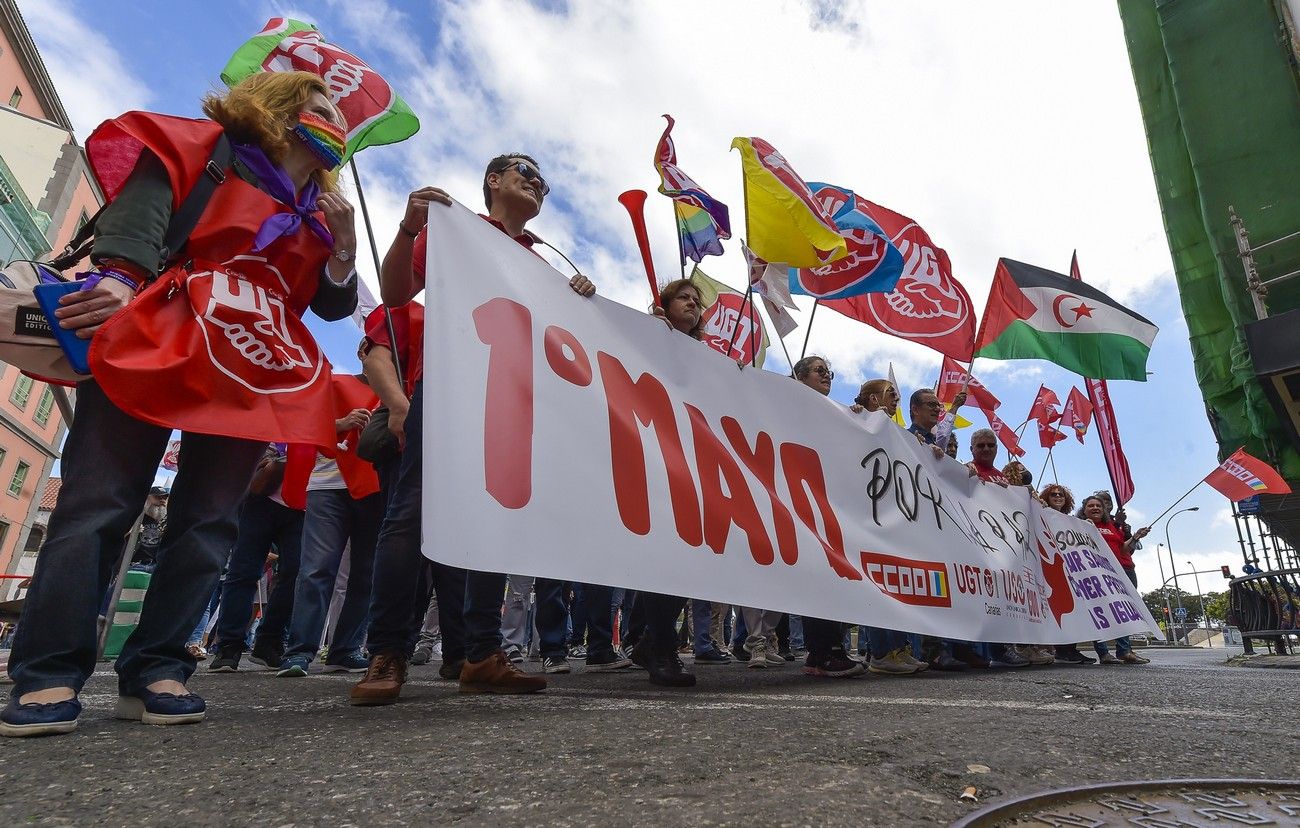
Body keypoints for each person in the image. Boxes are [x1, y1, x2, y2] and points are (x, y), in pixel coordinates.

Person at [2, 71, 358, 737]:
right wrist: (118, 275)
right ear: (279, 109)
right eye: (321, 108)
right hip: (159, 327)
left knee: (212, 520)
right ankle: (47, 673)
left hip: (250, 361)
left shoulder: (321, 212)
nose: (335, 124)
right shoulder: (211, 149)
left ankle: (159, 667)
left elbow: (329, 302)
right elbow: (147, 200)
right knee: (98, 500)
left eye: (340, 117)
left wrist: (343, 251)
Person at [351, 154, 595, 705]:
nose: (535, 184)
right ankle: (387, 652)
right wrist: (410, 227)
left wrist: (580, 302)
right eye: (523, 173)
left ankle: (482, 652)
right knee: (409, 516)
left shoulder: (542, 261)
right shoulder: (455, 231)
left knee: (496, 518)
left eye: (543, 182)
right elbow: (394, 294)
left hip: (513, 400)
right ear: (493, 181)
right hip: (452, 386)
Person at [789, 356, 864, 679]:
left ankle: (824, 652)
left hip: (828, 507)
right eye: (820, 371)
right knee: (819, 577)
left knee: (831, 576)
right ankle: (825, 651)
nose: (827, 376)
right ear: (800, 377)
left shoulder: (834, 413)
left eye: (829, 372)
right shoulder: (783, 404)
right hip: (799, 502)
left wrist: (857, 422)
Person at [851, 378, 926, 676]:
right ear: (872, 399)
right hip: (869, 514)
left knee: (897, 584)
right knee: (878, 583)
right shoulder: (859, 419)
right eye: (891, 394)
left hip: (894, 515)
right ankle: (882, 651)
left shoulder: (896, 433)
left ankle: (899, 647)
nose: (896, 399)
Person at [207, 444, 305, 672]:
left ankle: (269, 641)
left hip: (303, 503)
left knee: (295, 572)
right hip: (261, 499)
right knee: (244, 571)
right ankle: (229, 644)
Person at [1083, 494, 1152, 665]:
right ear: (1084, 510)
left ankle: (1125, 651)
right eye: (1090, 506)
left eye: (1098, 505)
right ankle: (1103, 653)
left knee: (1123, 609)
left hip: (1121, 570)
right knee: (1099, 611)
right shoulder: (1079, 525)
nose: (1095, 508)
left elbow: (1122, 549)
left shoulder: (1112, 526)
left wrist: (1135, 537)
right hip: (1096, 572)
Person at [1039, 484, 1095, 665]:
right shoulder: (1041, 513)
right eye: (1053, 494)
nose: (1057, 497)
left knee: (1076, 608)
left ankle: (1071, 648)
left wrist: (1087, 527)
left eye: (1061, 495)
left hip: (1071, 570)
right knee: (1060, 607)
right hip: (1052, 568)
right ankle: (1062, 650)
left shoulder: (1070, 521)